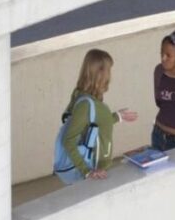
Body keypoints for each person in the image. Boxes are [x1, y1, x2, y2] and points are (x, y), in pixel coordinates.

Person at [54, 48, 138, 182]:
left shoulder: (83, 94)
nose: (110, 75)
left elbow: (94, 122)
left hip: (100, 168)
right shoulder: (85, 105)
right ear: (99, 72)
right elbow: (68, 140)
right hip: (94, 170)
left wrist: (118, 117)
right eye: (108, 70)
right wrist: (87, 172)